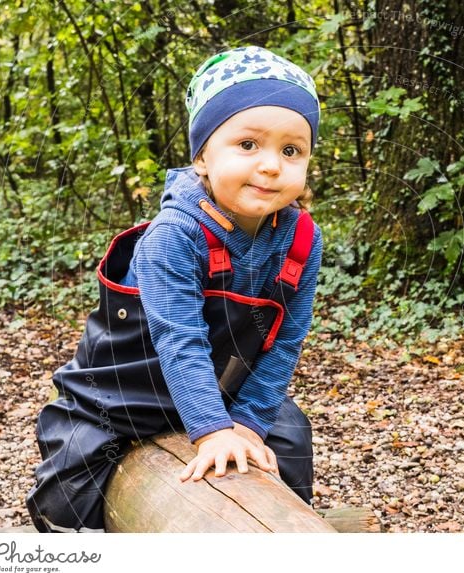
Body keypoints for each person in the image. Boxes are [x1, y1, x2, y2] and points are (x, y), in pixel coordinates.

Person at [26, 45, 323, 532]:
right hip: (125, 395)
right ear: (202, 157)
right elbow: (177, 336)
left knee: (286, 439)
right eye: (248, 145)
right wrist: (210, 433)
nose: (271, 165)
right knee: (68, 499)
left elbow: (286, 338)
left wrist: (245, 423)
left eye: (291, 150)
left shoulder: (302, 242)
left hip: (226, 390)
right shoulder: (175, 234)